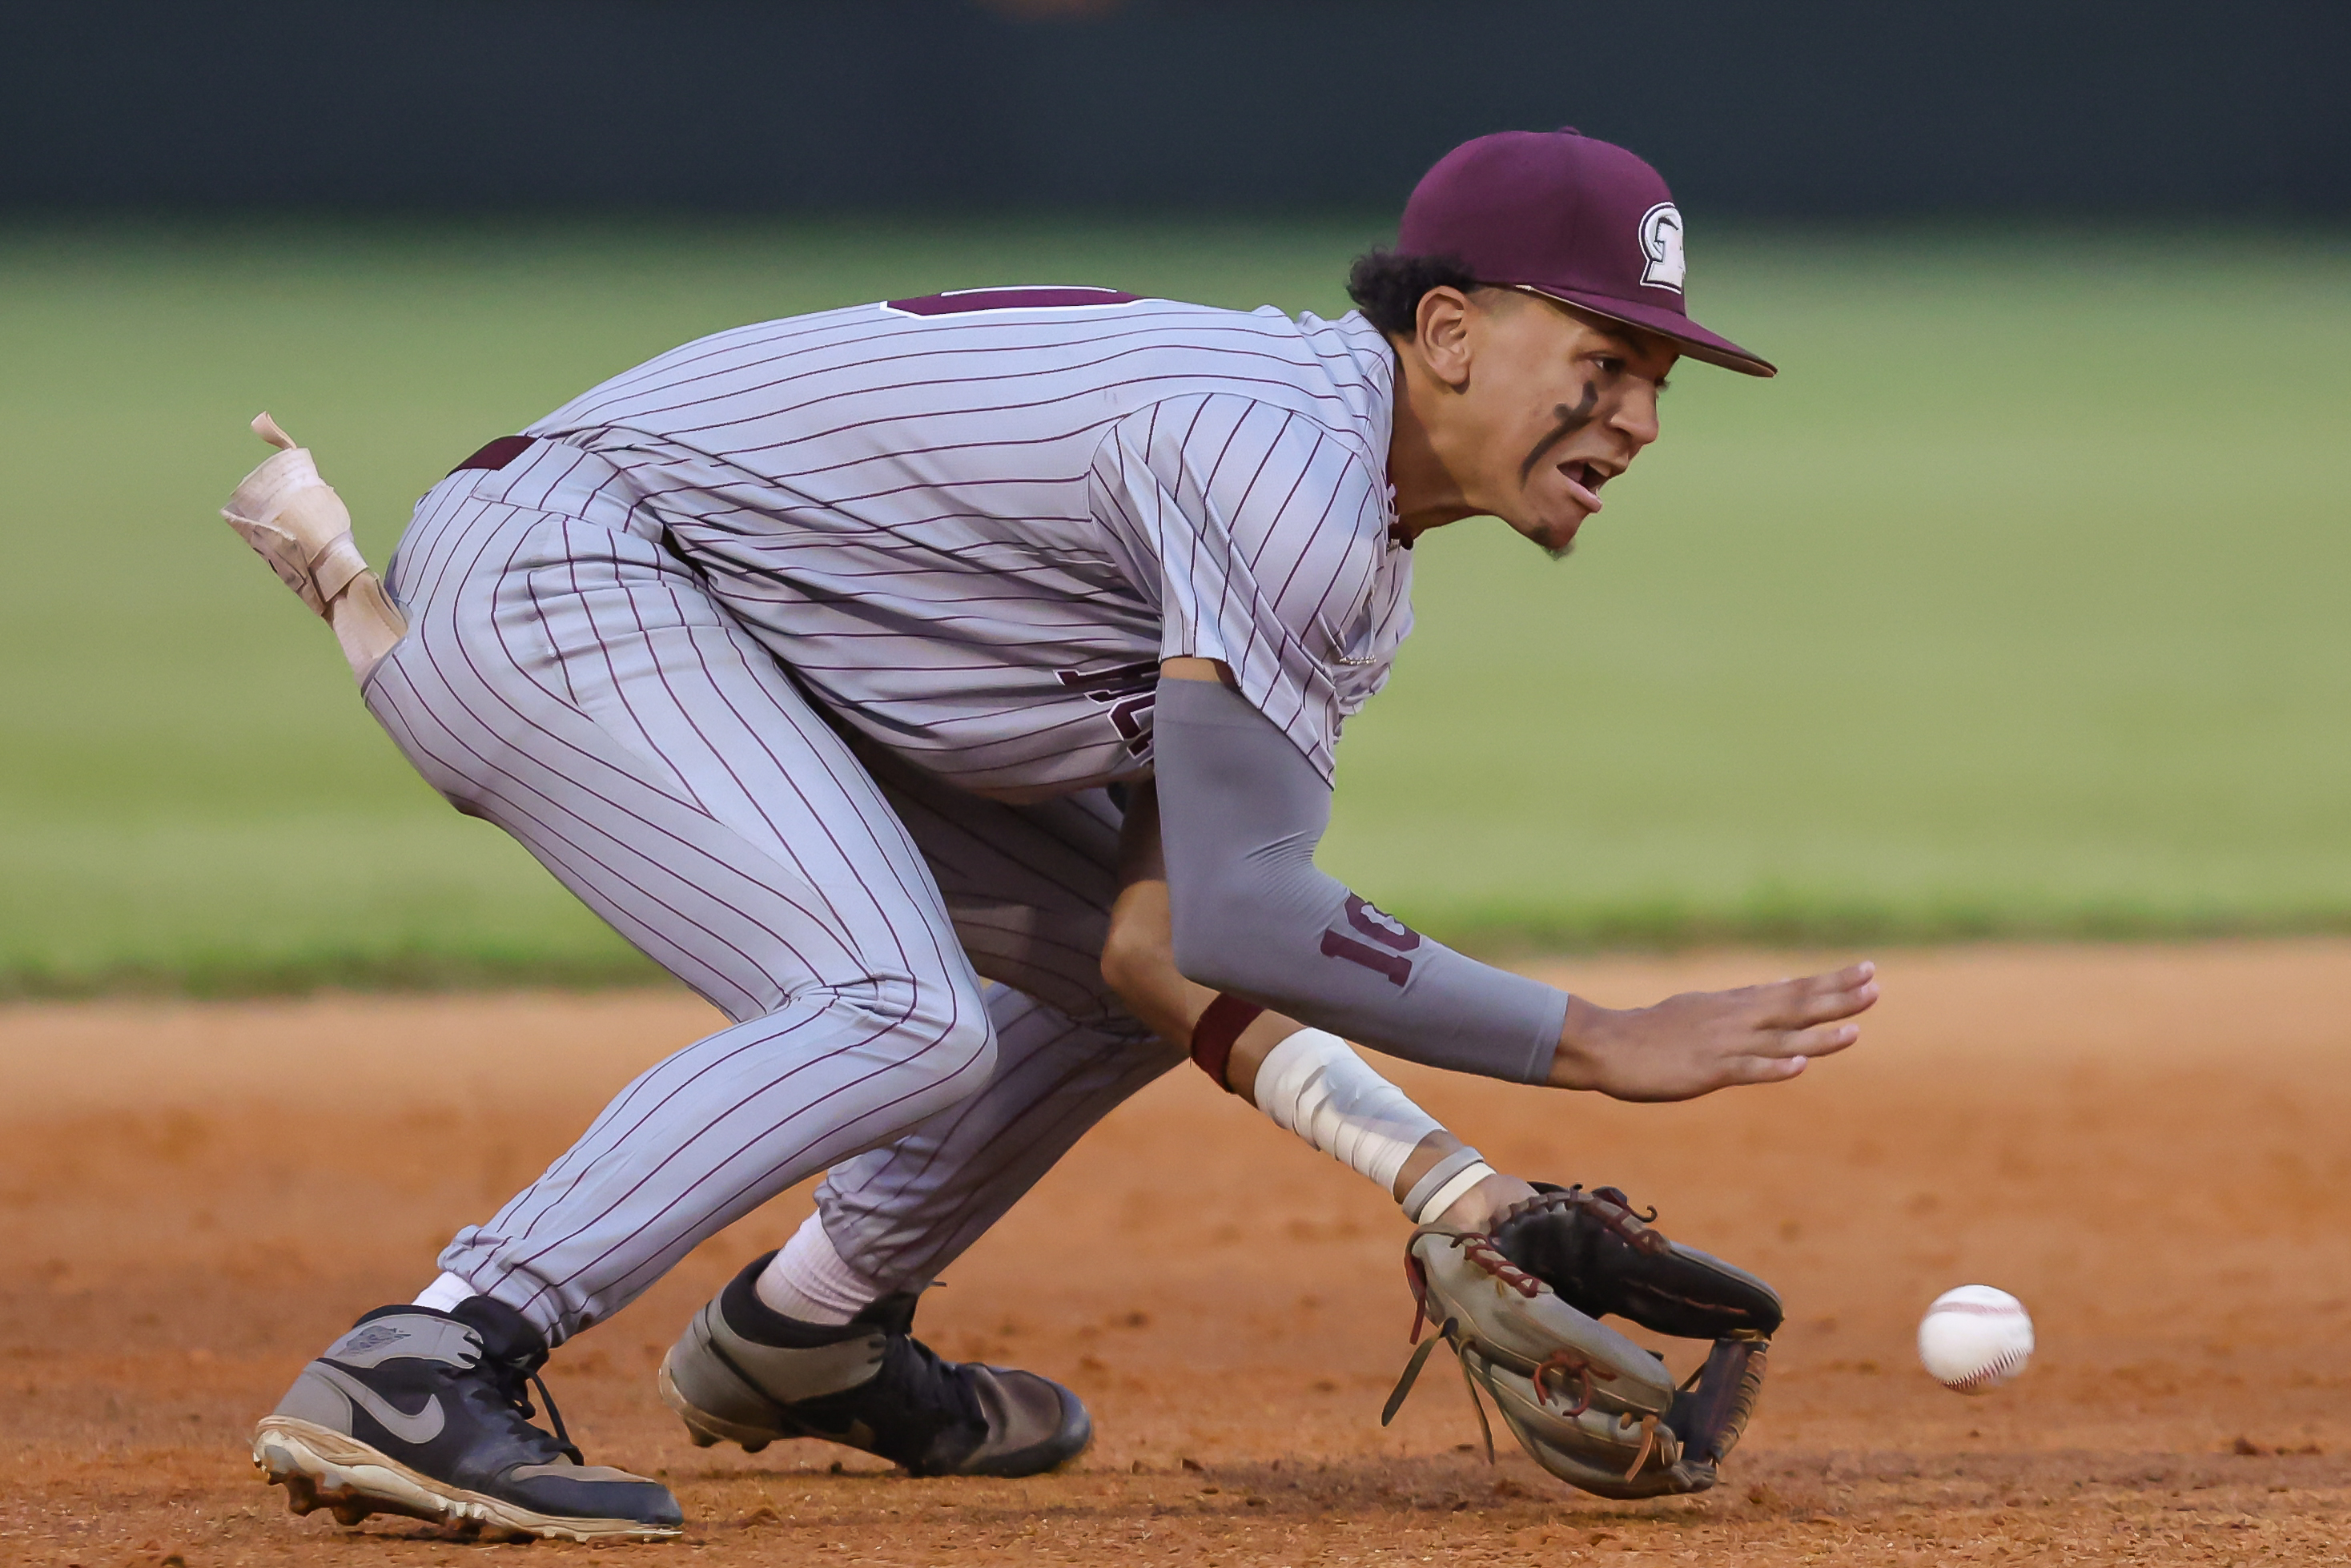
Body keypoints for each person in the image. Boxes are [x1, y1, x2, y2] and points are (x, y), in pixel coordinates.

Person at [247, 127, 1878, 1544]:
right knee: (898, 1012)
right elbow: (1248, 914)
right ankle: (433, 1351)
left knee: (1098, 987)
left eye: (1655, 378)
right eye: (1602, 358)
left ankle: (806, 1330)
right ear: (1447, 331)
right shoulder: (1282, 461)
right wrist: (1592, 1040)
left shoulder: (1347, 538)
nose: (1641, 416)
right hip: (575, 570)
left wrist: (1446, 1179)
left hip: (740, 635)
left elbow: (1166, 940)